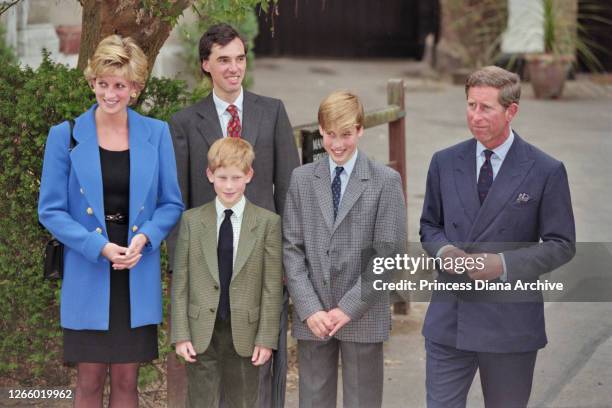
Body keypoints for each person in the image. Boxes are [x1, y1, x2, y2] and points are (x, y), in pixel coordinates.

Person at [38, 35, 183, 407]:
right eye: (103, 84)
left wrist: (146, 238)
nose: (110, 93)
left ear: (135, 88)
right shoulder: (65, 136)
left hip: (137, 267)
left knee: (126, 381)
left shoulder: (157, 133)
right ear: (92, 82)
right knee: (87, 381)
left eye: (120, 85)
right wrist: (97, 246)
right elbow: (50, 210)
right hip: (89, 267)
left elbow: (170, 204)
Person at [419, 66, 576, 408]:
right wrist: (444, 251)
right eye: (471, 105)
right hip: (450, 321)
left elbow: (561, 245)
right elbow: (429, 225)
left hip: (510, 325)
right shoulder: (444, 162)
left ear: (511, 111)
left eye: (485, 107)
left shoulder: (545, 170)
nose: (475, 116)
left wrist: (502, 264)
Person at [167, 23, 299, 407]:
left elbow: (288, 189)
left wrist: (288, 258)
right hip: (208, 261)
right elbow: (180, 199)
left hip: (259, 261)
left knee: (256, 368)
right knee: (208, 366)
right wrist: (181, 266)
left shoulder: (272, 112)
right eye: (223, 60)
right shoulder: (185, 123)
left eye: (239, 58)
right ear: (206, 64)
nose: (233, 67)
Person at [283, 90, 407, 408]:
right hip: (315, 316)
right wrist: (309, 308)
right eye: (331, 135)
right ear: (321, 130)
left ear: (361, 130)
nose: (338, 144)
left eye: (347, 135)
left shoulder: (385, 181)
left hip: (362, 313)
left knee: (362, 400)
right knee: (312, 400)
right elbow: (292, 249)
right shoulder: (302, 179)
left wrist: (348, 308)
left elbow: (388, 254)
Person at [171, 137, 283, 407]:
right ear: (210, 175)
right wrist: (181, 334)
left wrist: (266, 338)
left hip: (245, 331)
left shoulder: (268, 223)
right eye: (222, 177)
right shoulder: (192, 221)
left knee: (242, 401)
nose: (229, 186)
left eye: (236, 177)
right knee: (200, 401)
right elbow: (181, 282)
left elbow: (271, 287)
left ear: (249, 175)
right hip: (201, 332)